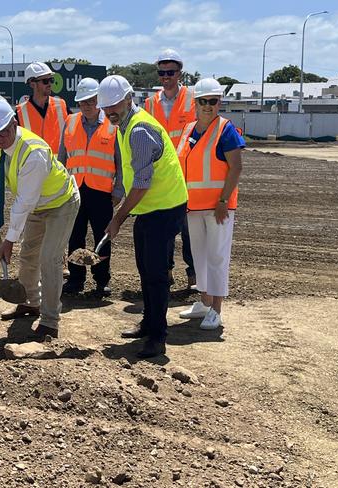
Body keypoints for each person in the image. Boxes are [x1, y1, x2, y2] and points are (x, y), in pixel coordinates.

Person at [99, 75, 188, 358]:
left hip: (163, 207)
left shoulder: (138, 130)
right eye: (106, 108)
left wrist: (118, 217)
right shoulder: (125, 125)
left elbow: (142, 183)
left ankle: (158, 337)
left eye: (114, 105)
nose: (110, 111)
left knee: (156, 274)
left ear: (129, 99)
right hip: (150, 208)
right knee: (146, 270)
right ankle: (149, 323)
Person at [0, 98, 79, 339]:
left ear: (14, 123)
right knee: (29, 257)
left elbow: (23, 203)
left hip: (60, 204)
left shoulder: (33, 153)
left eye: (2, 132)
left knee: (49, 259)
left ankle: (50, 320)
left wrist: (9, 240)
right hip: (38, 205)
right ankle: (31, 303)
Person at [175, 78, 244, 330]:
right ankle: (204, 303)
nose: (208, 106)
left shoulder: (225, 129)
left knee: (217, 257)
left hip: (218, 208)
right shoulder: (188, 130)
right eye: (203, 101)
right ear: (195, 103)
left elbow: (236, 167)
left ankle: (216, 310)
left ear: (219, 102)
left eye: (212, 101)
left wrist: (224, 201)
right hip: (193, 207)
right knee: (200, 257)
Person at [58, 77, 121, 297]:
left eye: (91, 100)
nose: (86, 105)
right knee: (75, 236)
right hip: (74, 191)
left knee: (102, 237)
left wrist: (119, 188)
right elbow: (62, 159)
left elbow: (120, 160)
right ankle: (75, 279)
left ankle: (101, 281)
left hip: (102, 192)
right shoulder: (70, 122)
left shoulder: (113, 125)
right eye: (83, 101)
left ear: (99, 100)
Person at [145, 48, 196, 289]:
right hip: (161, 176)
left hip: (187, 174)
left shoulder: (194, 99)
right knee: (164, 231)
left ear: (179, 73)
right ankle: (166, 273)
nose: (166, 77)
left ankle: (193, 276)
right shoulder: (149, 103)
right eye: (162, 72)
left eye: (171, 72)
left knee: (189, 231)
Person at [16, 62, 68, 155]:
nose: (49, 84)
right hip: (32, 167)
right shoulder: (20, 112)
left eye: (51, 80)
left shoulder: (61, 105)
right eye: (45, 81)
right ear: (32, 84)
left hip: (58, 167)